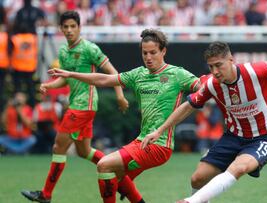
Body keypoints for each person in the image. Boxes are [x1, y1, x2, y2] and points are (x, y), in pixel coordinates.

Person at [141, 41, 267, 203]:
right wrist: (160, 131)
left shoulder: (255, 71)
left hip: (264, 138)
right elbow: (188, 106)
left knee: (239, 167)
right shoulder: (211, 84)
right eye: (211, 67)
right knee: (197, 178)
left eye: (219, 65)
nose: (215, 71)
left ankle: (191, 202)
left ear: (231, 60)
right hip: (233, 137)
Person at [47, 28, 201, 203]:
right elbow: (103, 79)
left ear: (163, 51)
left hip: (159, 145)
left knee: (104, 165)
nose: (148, 57)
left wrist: (210, 86)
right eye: (145, 53)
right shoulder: (138, 74)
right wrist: (71, 74)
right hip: (142, 141)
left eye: (153, 52)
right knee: (116, 177)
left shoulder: (177, 74)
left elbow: (201, 87)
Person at [21, 11, 128, 203]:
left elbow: (112, 72)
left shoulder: (90, 49)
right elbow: (64, 80)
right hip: (78, 105)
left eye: (73, 26)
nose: (70, 30)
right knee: (84, 151)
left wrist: (120, 95)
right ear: (61, 29)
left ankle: (46, 194)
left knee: (58, 146)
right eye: (66, 27)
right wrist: (48, 85)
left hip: (83, 106)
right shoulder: (63, 51)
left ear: (79, 27)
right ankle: (120, 173)